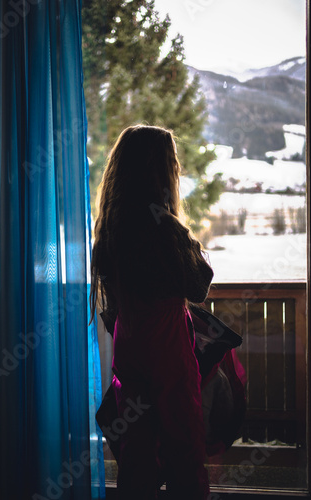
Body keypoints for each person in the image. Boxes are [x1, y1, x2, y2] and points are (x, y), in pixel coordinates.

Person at [90, 124, 214, 499]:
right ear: (162, 172)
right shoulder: (167, 231)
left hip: (130, 349)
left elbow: (110, 311)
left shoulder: (110, 232)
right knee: (184, 448)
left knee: (137, 453)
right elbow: (199, 285)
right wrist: (192, 241)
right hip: (169, 350)